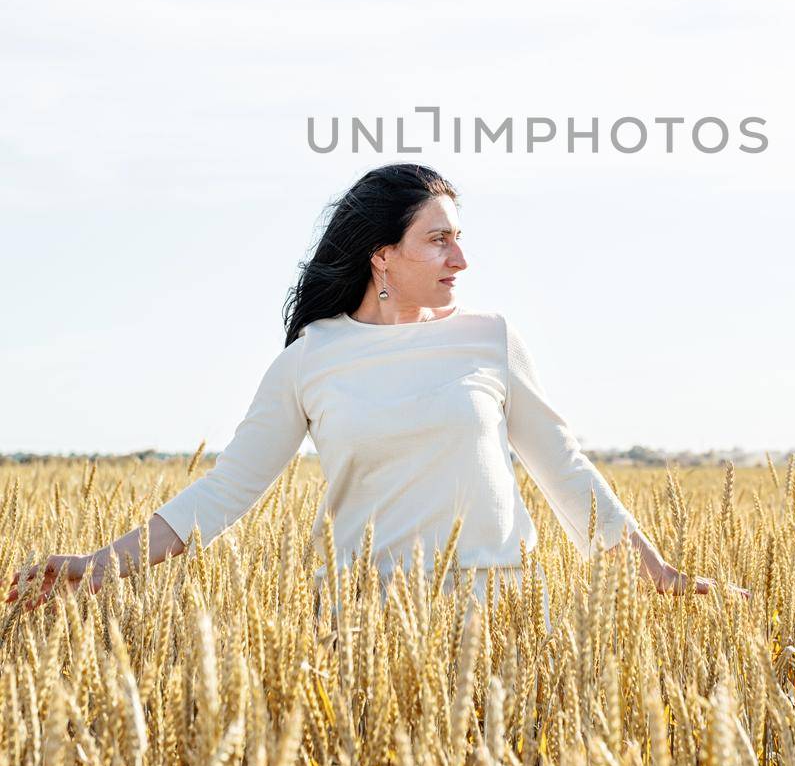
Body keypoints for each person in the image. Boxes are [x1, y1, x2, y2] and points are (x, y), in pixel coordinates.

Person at [7, 164, 750, 627]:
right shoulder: (312, 359)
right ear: (383, 255)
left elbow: (565, 470)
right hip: (362, 629)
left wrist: (661, 575)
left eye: (459, 239)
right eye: (439, 241)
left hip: (503, 621)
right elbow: (227, 490)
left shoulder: (489, 338)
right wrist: (101, 563)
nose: (462, 258)